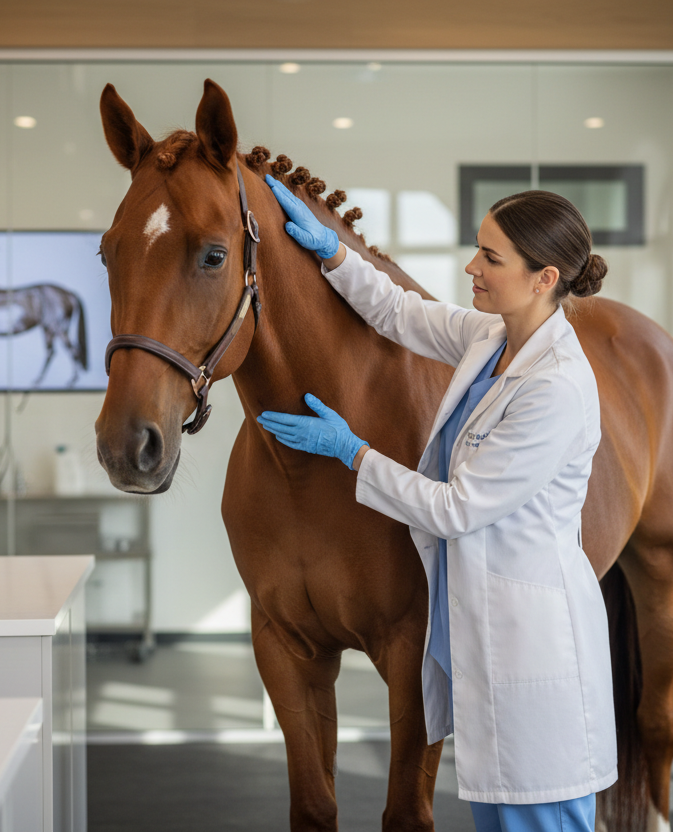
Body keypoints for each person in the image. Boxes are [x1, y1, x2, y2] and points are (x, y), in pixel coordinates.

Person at [258, 176, 617, 832]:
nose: (470, 267)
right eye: (477, 249)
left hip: (529, 645)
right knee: (499, 814)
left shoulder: (555, 387)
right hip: (486, 635)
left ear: (545, 278)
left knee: (539, 815)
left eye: (490, 258)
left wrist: (352, 452)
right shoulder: (494, 338)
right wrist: (332, 253)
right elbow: (400, 313)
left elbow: (456, 510)